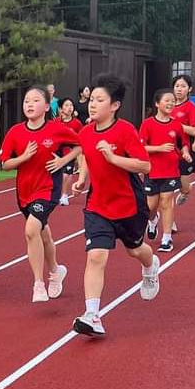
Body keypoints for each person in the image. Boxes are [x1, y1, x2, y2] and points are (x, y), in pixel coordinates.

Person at [70, 73, 160, 337]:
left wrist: (113, 158)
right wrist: (82, 178)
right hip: (98, 205)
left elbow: (144, 165)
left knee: (135, 250)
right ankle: (92, 315)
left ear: (115, 105)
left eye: (100, 100)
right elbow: (87, 156)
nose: (93, 104)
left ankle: (150, 266)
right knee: (96, 255)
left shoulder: (125, 130)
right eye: (91, 99)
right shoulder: (85, 132)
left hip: (128, 205)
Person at [0, 86, 77, 303]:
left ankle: (38, 284)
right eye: (26, 101)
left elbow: (81, 144)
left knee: (31, 229)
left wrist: (63, 161)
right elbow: (5, 163)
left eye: (35, 100)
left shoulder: (56, 129)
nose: (30, 104)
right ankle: (56, 270)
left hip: (48, 189)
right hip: (24, 191)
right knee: (43, 234)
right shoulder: (15, 132)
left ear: (46, 106)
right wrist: (23, 157)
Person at [139, 89, 185, 252]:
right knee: (150, 206)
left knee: (166, 201)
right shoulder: (148, 124)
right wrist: (159, 148)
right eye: (167, 100)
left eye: (173, 101)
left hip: (171, 169)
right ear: (157, 104)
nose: (171, 103)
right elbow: (141, 147)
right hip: (152, 170)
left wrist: (186, 152)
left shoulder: (176, 125)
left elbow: (183, 144)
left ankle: (167, 238)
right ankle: (153, 220)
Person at [172, 74, 195, 208]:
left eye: (183, 86)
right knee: (167, 186)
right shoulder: (168, 104)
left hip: (186, 149)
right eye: (177, 86)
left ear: (189, 89)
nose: (179, 89)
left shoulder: (191, 107)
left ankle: (185, 192)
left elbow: (194, 131)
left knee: (184, 186)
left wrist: (176, 125)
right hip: (169, 148)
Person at [55, 97, 83, 206]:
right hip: (57, 151)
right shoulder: (56, 122)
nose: (69, 108)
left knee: (66, 174)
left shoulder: (77, 123)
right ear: (61, 109)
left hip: (70, 152)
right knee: (56, 175)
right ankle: (56, 194)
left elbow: (81, 138)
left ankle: (64, 195)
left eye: (71, 105)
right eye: (66, 105)